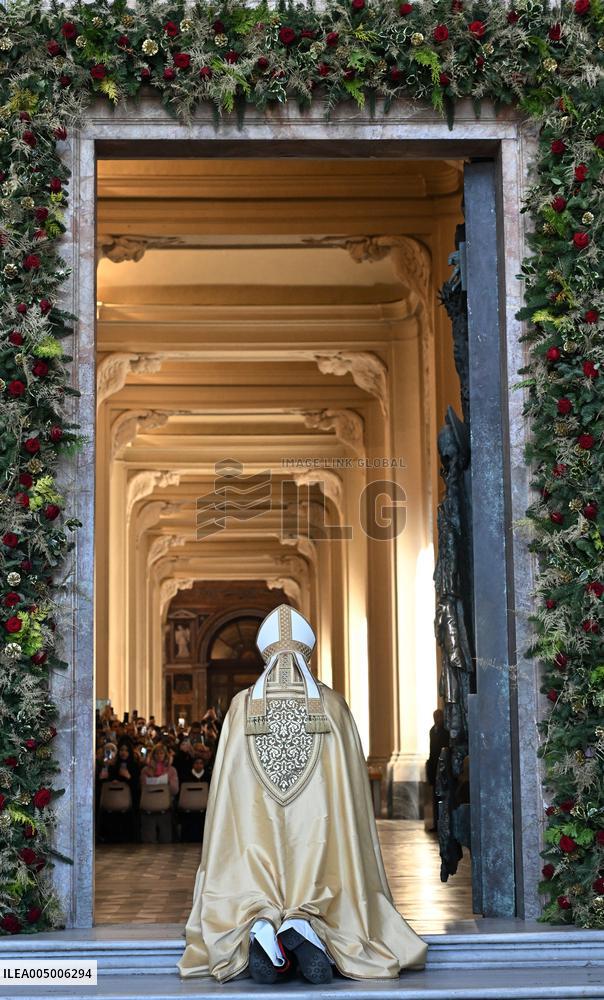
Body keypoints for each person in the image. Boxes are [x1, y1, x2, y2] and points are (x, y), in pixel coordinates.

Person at [179, 604, 427, 985]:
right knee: (327, 867)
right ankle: (306, 924)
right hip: (319, 840)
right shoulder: (331, 705)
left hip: (254, 844)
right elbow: (351, 795)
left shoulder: (242, 706)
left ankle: (261, 926)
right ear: (306, 653)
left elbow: (227, 795)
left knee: (249, 868)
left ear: (266, 653)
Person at [140, 744, 179, 843]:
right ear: (153, 755)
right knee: (148, 840)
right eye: (156, 753)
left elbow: (175, 789)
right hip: (150, 802)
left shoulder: (172, 770)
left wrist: (168, 782)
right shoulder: (145, 770)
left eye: (161, 753)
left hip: (165, 803)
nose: (159, 755)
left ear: (165, 755)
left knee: (166, 839)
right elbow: (143, 787)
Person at [426, 709, 450, 833]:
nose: (437, 719)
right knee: (435, 798)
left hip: (444, 768)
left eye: (439, 717)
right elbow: (431, 751)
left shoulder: (446, 731)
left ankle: (445, 825)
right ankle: (436, 823)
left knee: (444, 798)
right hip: (435, 768)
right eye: (435, 717)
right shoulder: (432, 731)